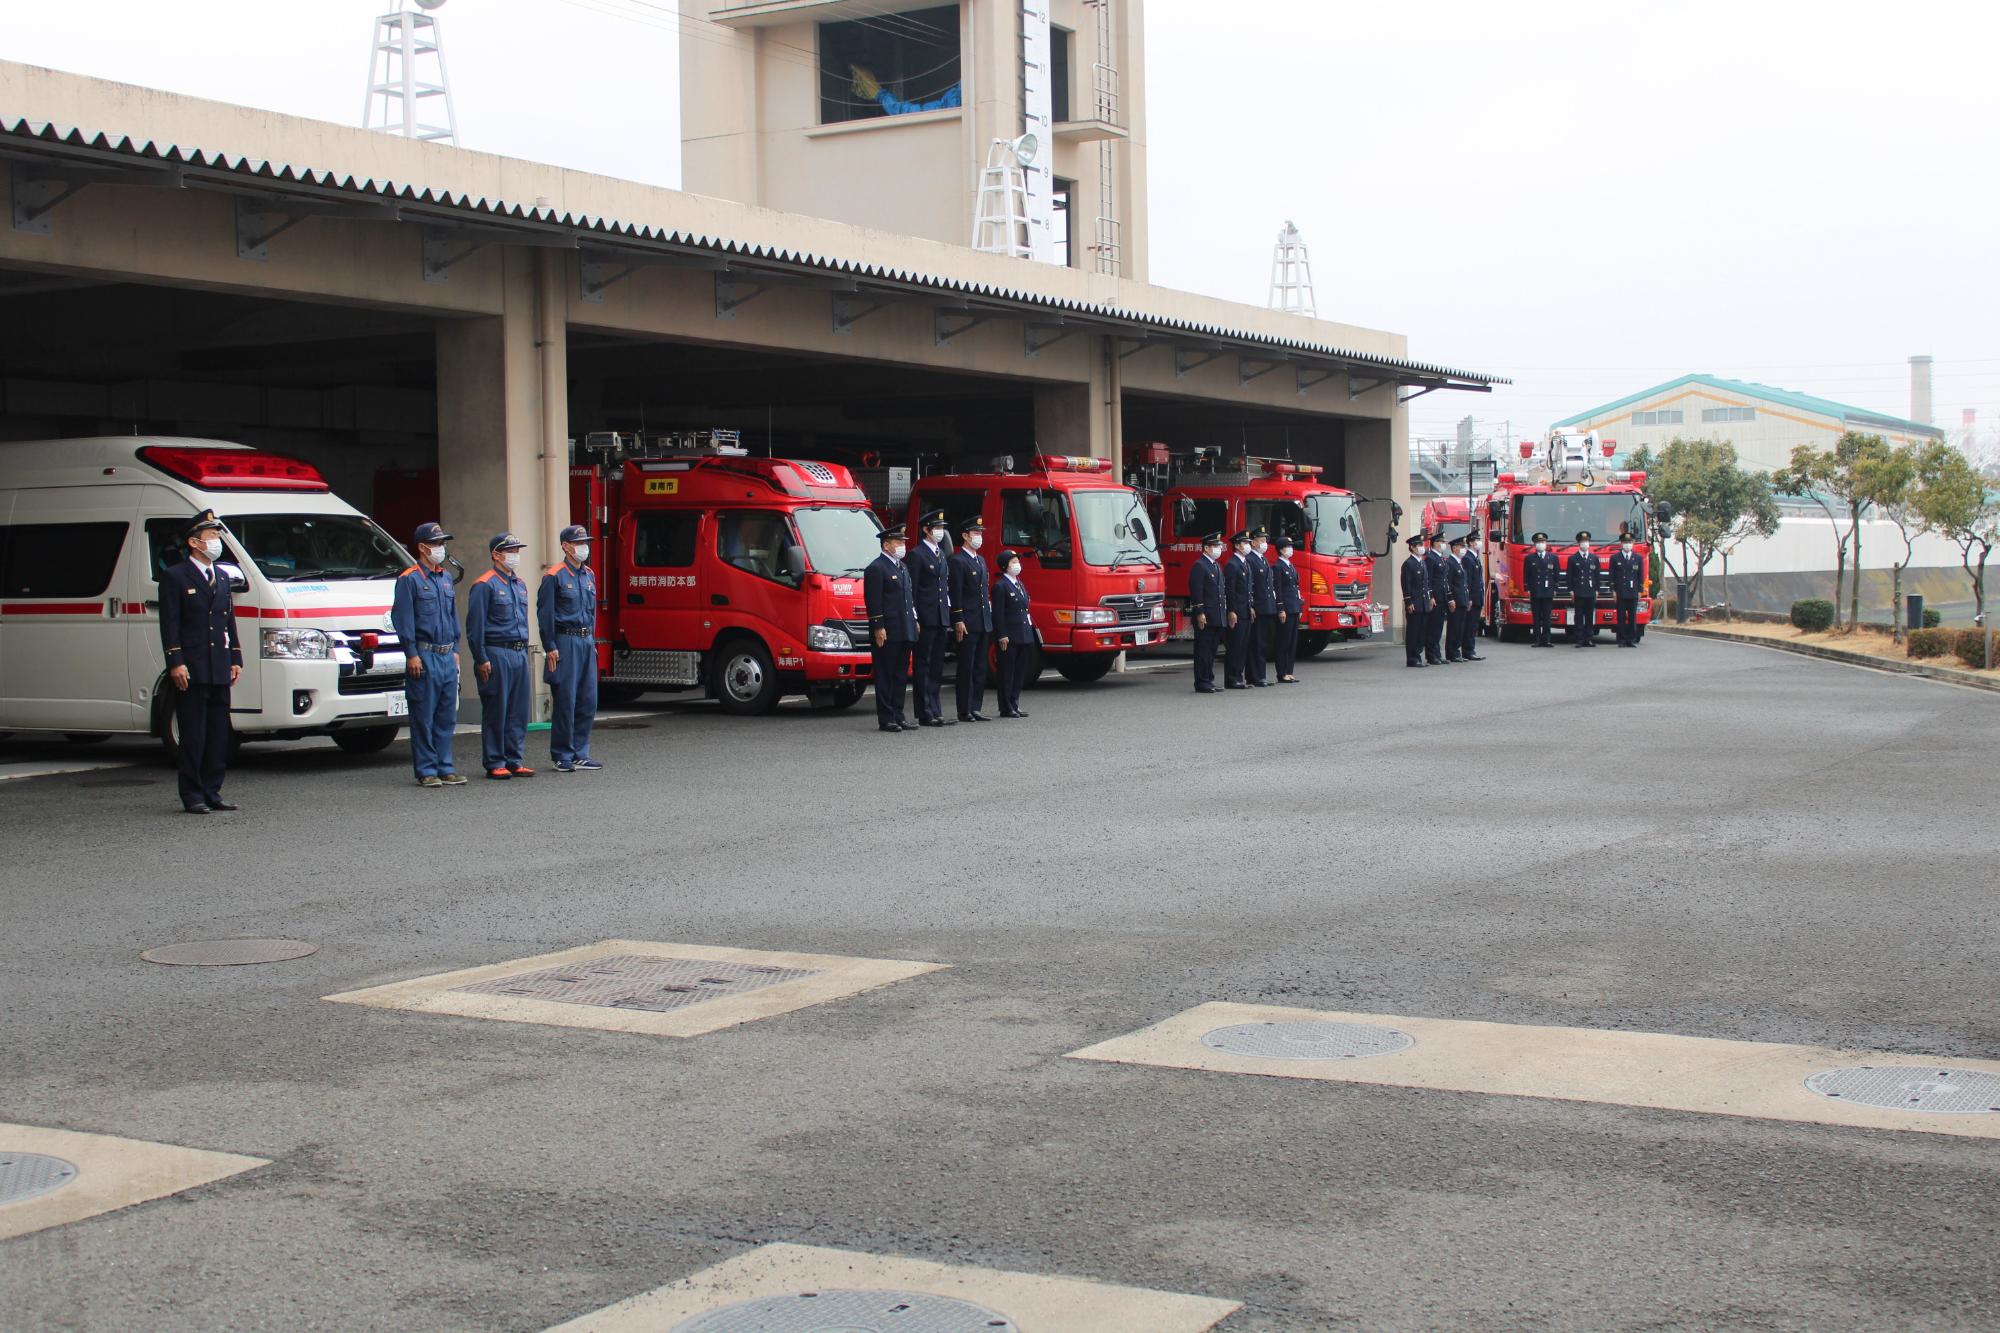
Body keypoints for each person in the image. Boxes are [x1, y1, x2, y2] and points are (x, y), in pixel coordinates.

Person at [157, 509, 243, 813]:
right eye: (211, 536)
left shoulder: (221, 575)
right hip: (192, 666)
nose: (217, 541)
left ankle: (212, 790)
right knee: (193, 733)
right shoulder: (176, 576)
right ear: (194, 542)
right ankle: (192, 794)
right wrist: (175, 662)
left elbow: (227, 621)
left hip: (219, 664)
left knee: (219, 733)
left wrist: (235, 657)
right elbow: (170, 623)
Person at [392, 521, 467, 788]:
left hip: (447, 654)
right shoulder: (409, 579)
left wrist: (456, 648)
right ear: (422, 547)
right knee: (424, 714)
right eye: (436, 544)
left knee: (446, 715)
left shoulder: (445, 578)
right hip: (424, 654)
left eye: (443, 543)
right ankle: (426, 770)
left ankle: (445, 766)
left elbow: (452, 615)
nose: (441, 548)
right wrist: (411, 653)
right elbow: (403, 619)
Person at [468, 533, 534, 780]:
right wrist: (481, 657)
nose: (515, 555)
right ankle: (495, 760)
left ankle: (514, 759)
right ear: (496, 554)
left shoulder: (519, 584)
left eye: (517, 550)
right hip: (496, 651)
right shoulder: (484, 584)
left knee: (518, 709)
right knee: (497, 708)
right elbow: (475, 627)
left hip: (518, 652)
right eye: (511, 550)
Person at [539, 525, 602, 773]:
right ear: (566, 546)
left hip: (586, 641)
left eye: (586, 542)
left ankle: (580, 752)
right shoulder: (554, 576)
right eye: (579, 543)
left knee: (588, 699)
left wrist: (592, 641)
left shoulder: (589, 574)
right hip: (564, 641)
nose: (584, 547)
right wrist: (550, 646)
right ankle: (562, 754)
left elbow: (592, 611)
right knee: (566, 699)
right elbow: (545, 615)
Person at [864, 526, 918, 733]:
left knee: (900, 675)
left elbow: (908, 598)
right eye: (898, 542)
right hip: (888, 629)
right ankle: (886, 718)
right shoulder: (877, 568)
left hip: (904, 628)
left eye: (903, 542)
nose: (902, 546)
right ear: (886, 545)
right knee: (885, 674)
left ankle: (898, 714)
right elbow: (874, 600)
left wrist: (914, 621)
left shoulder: (902, 567)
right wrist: (878, 626)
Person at [908, 508, 954, 728]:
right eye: (936, 528)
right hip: (925, 616)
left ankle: (935, 708)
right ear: (926, 530)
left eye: (942, 528)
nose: (940, 532)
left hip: (940, 616)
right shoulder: (917, 555)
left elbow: (943, 588)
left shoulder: (941, 554)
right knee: (923, 664)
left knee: (937, 664)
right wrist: (915, 617)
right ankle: (924, 710)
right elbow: (913, 590)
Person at [949, 515, 993, 722]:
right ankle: (964, 709)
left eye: (980, 533)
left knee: (979, 667)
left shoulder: (980, 560)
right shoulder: (958, 561)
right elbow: (956, 592)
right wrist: (958, 618)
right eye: (976, 533)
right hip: (968, 621)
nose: (979, 536)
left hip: (982, 620)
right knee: (966, 666)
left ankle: (976, 706)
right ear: (965, 536)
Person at [992, 549, 1034, 718]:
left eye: (1017, 561)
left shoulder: (1019, 584)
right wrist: (1001, 634)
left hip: (1023, 633)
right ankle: (1006, 706)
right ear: (1005, 566)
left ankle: (1014, 703)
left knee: (1018, 672)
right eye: (1013, 562)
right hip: (1009, 636)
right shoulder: (1000, 586)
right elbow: (998, 613)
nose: (1017, 565)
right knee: (1006, 672)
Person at [1188, 532, 1225, 693]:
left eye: (1219, 546)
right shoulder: (1200, 565)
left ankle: (1209, 679)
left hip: (1216, 615)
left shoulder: (1215, 565)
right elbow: (1197, 591)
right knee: (1203, 650)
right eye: (1215, 546)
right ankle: (1202, 682)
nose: (1218, 549)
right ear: (1206, 548)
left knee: (1211, 650)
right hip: (1205, 615)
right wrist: (1200, 612)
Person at [1223, 530, 1256, 688]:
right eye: (1245, 543)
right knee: (1235, 646)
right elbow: (1230, 591)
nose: (1248, 546)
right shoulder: (1232, 564)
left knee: (1243, 646)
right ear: (1236, 545)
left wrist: (1250, 607)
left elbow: (1247, 590)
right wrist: (1232, 611)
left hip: (1245, 611)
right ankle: (1231, 678)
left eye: (1249, 543)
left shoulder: (1245, 563)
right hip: (1237, 611)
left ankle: (1239, 676)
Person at [1272, 534, 1304, 682]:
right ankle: (1282, 672)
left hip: (1294, 607)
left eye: (1291, 547)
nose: (1290, 549)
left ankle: (1289, 671)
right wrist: (1281, 609)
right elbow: (1277, 590)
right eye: (1287, 547)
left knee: (1292, 641)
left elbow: (1296, 588)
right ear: (1280, 549)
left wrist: (1300, 606)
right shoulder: (1278, 566)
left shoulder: (1290, 566)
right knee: (1283, 641)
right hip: (1286, 608)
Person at [1247, 527, 1276, 686]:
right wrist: (1251, 605)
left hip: (1266, 607)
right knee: (1256, 643)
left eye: (1265, 540)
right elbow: (1250, 586)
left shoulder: (1263, 559)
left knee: (1263, 643)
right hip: (1257, 607)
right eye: (1262, 540)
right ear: (1253, 542)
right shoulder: (1251, 559)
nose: (1265, 543)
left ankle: (1261, 674)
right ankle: (1255, 676)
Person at [1400, 534, 1433, 668]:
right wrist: (1409, 602)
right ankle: (1412, 658)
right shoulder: (1408, 564)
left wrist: (1429, 598)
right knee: (1413, 632)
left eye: (1422, 545)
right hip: (1415, 603)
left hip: (1424, 602)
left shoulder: (1422, 562)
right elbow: (1406, 584)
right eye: (1419, 545)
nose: (1422, 547)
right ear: (1412, 547)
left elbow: (1426, 583)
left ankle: (1418, 655)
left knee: (1421, 631)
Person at [1422, 532, 1455, 664]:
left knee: (1439, 628)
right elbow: (1428, 579)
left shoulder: (1440, 558)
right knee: (1433, 627)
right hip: (1435, 597)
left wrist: (1449, 597)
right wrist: (1430, 596)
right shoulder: (1430, 558)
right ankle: (1431, 655)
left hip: (1442, 597)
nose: (1444, 544)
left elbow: (1444, 580)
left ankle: (1437, 653)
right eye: (1441, 542)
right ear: (1435, 543)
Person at [1523, 531, 1560, 647]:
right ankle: (1537, 639)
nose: (1541, 544)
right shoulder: (1530, 558)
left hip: (1548, 590)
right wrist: (1527, 588)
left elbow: (1556, 574)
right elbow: (1526, 575)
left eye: (1543, 542)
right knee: (1537, 616)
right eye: (1538, 542)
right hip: (1536, 590)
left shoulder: (1553, 557)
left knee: (1547, 617)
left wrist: (1555, 588)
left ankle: (1547, 639)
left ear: (1546, 543)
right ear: (1534, 544)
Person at [1566, 530, 1601, 647]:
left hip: (1590, 591)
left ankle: (1589, 639)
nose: (1585, 543)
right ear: (1578, 544)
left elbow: (1597, 576)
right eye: (1583, 541)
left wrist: (1597, 590)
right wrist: (1570, 590)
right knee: (1579, 616)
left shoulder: (1594, 558)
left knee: (1590, 616)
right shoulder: (1573, 559)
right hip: (1579, 591)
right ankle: (1579, 639)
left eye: (1587, 541)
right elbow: (1569, 576)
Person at [1609, 532, 1645, 647]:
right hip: (1620, 592)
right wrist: (1613, 590)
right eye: (1625, 542)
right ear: (1621, 544)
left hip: (1633, 592)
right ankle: (1621, 640)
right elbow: (1612, 576)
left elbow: (1640, 576)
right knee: (1620, 617)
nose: (1627, 545)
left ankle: (1631, 639)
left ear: (1633, 543)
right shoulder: (1615, 558)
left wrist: (1640, 590)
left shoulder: (1638, 558)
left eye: (1629, 542)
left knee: (1632, 617)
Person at [1442, 535, 1471, 662]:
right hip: (1456, 601)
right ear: (1454, 548)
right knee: (1454, 628)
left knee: (1460, 628)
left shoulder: (1459, 563)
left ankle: (1456, 651)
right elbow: (1448, 583)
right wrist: (1450, 599)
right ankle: (1451, 652)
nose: (1464, 549)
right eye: (1461, 546)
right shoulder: (1450, 563)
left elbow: (1463, 584)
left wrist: (1467, 598)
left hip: (1462, 599)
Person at [1458, 535, 1486, 660]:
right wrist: (1468, 597)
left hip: (1477, 596)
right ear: (1470, 543)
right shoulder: (1468, 559)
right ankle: (1467, 650)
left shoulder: (1475, 557)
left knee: (1473, 626)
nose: (1479, 543)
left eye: (1479, 540)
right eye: (1476, 540)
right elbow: (1467, 581)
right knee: (1469, 626)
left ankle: (1471, 649)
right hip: (1472, 598)